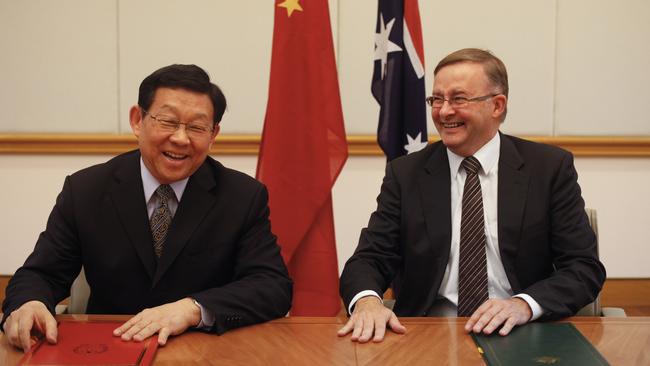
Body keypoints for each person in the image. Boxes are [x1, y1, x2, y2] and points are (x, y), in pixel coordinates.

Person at [1, 64, 292, 351]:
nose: (180, 138)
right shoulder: (87, 190)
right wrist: (30, 304)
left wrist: (193, 309)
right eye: (167, 121)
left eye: (196, 127)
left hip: (205, 351)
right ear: (138, 120)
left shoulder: (242, 196)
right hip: (109, 347)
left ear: (213, 134)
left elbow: (272, 286)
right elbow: (39, 274)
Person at [338, 48, 606, 343]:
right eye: (436, 99)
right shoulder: (406, 174)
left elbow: (583, 268)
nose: (443, 111)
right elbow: (369, 259)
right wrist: (367, 302)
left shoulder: (548, 169)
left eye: (458, 99)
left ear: (497, 105)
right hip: (425, 336)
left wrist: (523, 305)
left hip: (522, 331)